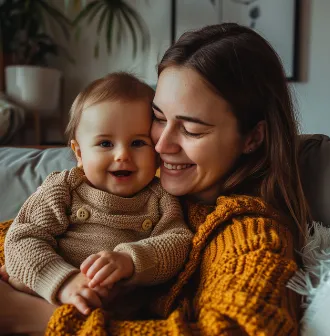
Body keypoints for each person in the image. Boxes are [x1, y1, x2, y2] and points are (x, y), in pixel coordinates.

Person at [0, 22, 309, 336]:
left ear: (252, 138)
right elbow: (23, 237)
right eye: (159, 118)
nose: (161, 145)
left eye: (192, 129)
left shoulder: (249, 232)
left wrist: (32, 317)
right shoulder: (104, 186)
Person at [1, 72, 193, 316]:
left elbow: (177, 243)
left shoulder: (160, 197)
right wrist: (64, 282)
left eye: (137, 143)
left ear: (156, 152)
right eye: (105, 144)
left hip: (116, 307)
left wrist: (130, 260)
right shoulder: (64, 188)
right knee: (18, 273)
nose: (122, 155)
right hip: (54, 289)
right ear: (79, 153)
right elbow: (22, 239)